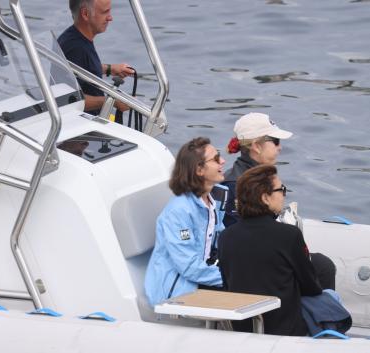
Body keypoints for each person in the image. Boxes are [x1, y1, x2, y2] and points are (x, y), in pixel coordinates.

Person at [223, 112, 337, 290]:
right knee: (322, 267)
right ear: (256, 146)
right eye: (275, 141)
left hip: (259, 254)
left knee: (318, 264)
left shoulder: (241, 177)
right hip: (252, 263)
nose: (280, 147)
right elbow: (244, 237)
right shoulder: (236, 185)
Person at [218, 164, 323, 336]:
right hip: (285, 329)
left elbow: (228, 285)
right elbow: (311, 288)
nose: (283, 195)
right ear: (266, 198)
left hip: (242, 327)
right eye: (281, 190)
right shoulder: (289, 235)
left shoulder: (225, 237)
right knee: (331, 298)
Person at [144, 137, 227, 306]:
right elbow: (188, 266)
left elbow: (220, 245)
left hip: (202, 279)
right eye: (216, 158)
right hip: (177, 293)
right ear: (199, 170)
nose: (223, 161)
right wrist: (231, 277)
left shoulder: (214, 201)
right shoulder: (178, 212)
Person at [58, 0, 135, 115]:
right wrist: (112, 101)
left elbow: (81, 68)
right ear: (85, 14)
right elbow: (68, 99)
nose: (110, 18)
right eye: (105, 12)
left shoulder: (72, 37)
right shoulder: (76, 48)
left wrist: (109, 69)